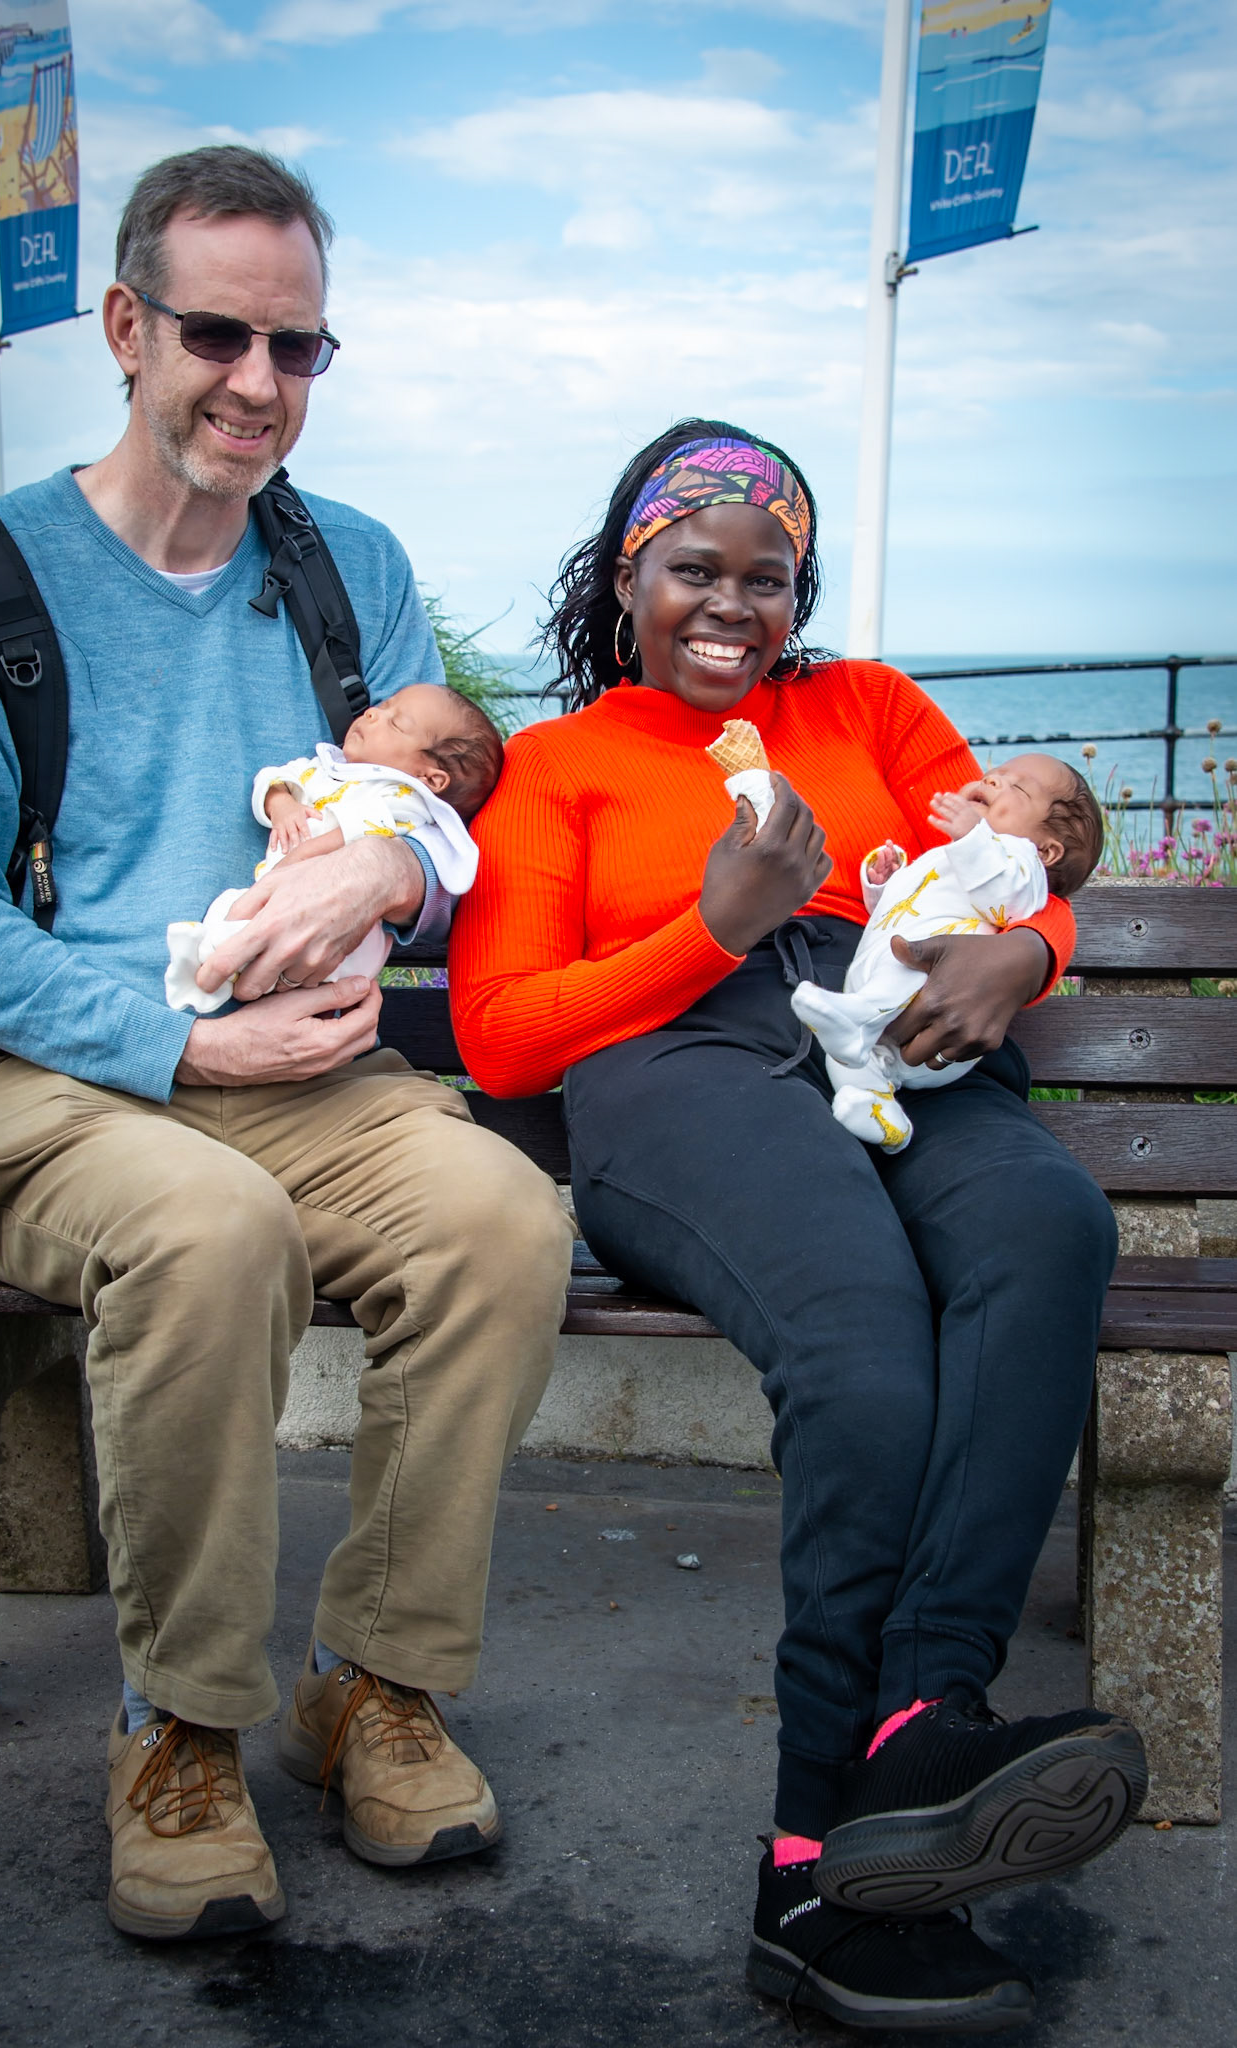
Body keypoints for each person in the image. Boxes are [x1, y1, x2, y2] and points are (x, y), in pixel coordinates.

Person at [0, 145, 573, 1942]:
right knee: (211, 1236)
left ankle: (370, 1678)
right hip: (70, 1070)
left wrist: (385, 868)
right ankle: (180, 1726)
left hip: (318, 1070)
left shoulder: (348, 561)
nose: (259, 387)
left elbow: (440, 831)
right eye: (219, 336)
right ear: (127, 327)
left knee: (503, 1220)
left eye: (300, 350)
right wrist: (179, 1046)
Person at [449, 423, 1145, 2033]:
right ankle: (812, 1864)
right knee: (860, 1345)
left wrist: (1029, 955)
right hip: (675, 1074)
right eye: (693, 568)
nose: (730, 606)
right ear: (627, 575)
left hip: (889, 1040)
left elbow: (996, 859)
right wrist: (710, 926)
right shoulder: (556, 764)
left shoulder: (867, 706)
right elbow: (498, 1035)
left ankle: (920, 1723)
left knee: (1043, 1231)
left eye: (769, 578)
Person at [790, 751, 1104, 1149]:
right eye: (994, 773)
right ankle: (879, 1114)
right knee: (850, 1061)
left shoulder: (1021, 866)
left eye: (1016, 786)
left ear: (1047, 851)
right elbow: (906, 911)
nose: (991, 780)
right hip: (896, 1010)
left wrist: (974, 837)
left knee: (897, 979)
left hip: (940, 1010)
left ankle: (858, 1021)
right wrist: (884, 885)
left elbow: (1006, 900)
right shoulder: (958, 856)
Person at [165, 683, 501, 1012]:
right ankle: (207, 965)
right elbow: (275, 778)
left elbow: (358, 832)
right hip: (275, 892)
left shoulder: (405, 799)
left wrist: (295, 861)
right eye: (382, 707)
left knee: (273, 939)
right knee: (235, 911)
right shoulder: (326, 768)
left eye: (395, 722)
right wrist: (283, 804)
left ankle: (210, 973)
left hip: (333, 932)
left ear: (431, 778)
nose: (372, 713)